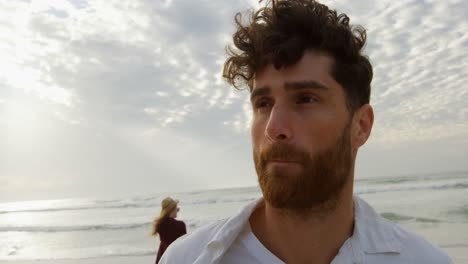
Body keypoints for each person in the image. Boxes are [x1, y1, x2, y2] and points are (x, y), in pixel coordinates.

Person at [160, 0, 453, 263]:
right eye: (263, 103)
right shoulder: (187, 258)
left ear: (361, 126)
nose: (274, 128)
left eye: (305, 99)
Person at [151, 197, 186, 264]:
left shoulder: (159, 224)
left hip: (163, 254)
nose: (178, 210)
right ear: (172, 209)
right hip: (175, 255)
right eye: (177, 208)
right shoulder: (181, 225)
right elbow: (184, 244)